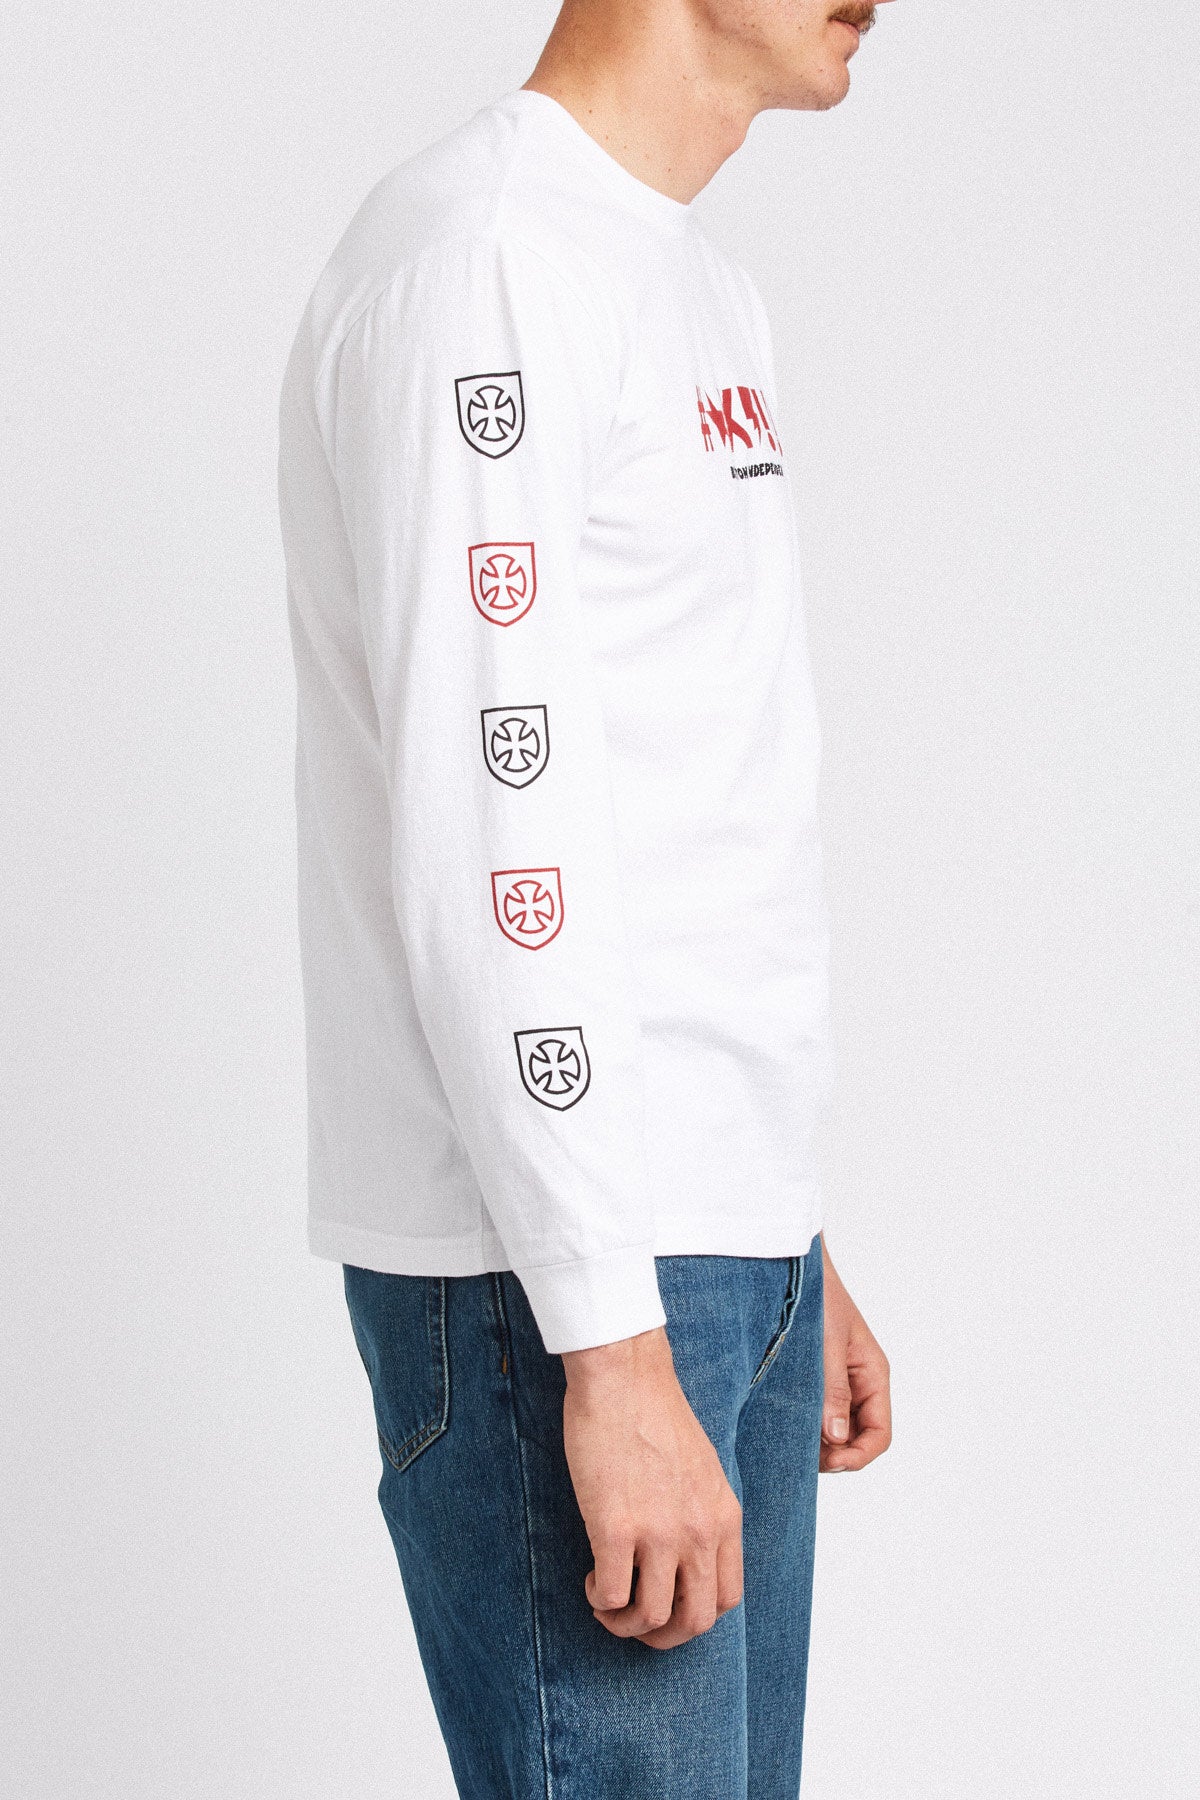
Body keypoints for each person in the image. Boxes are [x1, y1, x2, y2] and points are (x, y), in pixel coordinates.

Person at [278, 1, 894, 1792]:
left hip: (706, 1246)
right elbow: (498, 830)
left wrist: (786, 1236)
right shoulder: (483, 260)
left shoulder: (694, 283)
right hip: (560, 1278)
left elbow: (674, 798)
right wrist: (614, 1346)